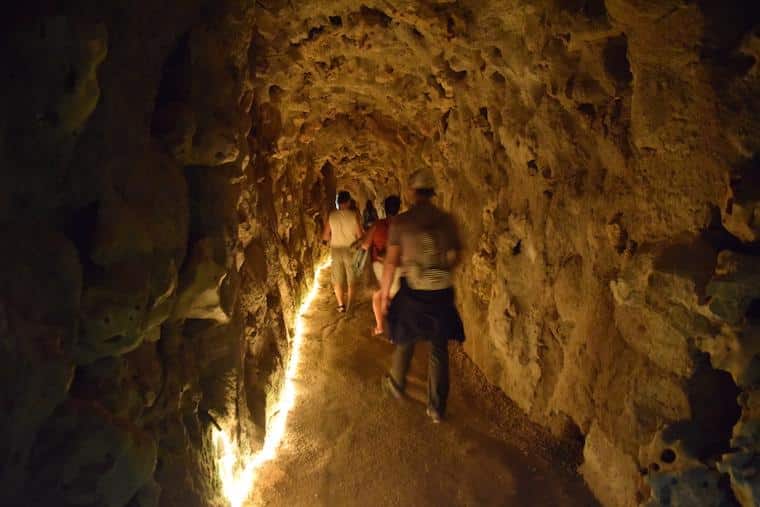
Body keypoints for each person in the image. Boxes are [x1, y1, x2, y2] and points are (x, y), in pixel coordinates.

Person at [379, 169, 464, 423]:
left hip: (414, 291)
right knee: (439, 348)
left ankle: (396, 383)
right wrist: (441, 270)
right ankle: (436, 408)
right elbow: (456, 255)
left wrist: (384, 294)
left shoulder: (402, 222)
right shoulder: (446, 220)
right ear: (433, 192)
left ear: (412, 192)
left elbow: (391, 262)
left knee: (406, 334)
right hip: (441, 291)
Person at [360, 195, 402, 336]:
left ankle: (379, 326)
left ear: (384, 208)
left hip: (379, 265)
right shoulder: (403, 225)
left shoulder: (378, 225)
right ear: (399, 208)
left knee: (377, 296)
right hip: (398, 265)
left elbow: (365, 245)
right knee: (397, 298)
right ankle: (396, 331)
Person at [322, 190, 362, 313]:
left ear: (339, 202)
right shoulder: (353, 215)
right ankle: (350, 306)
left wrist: (327, 241)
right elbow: (359, 235)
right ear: (349, 202)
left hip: (336, 250)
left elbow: (325, 236)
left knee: (337, 279)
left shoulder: (332, 216)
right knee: (351, 279)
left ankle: (341, 305)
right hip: (350, 250)